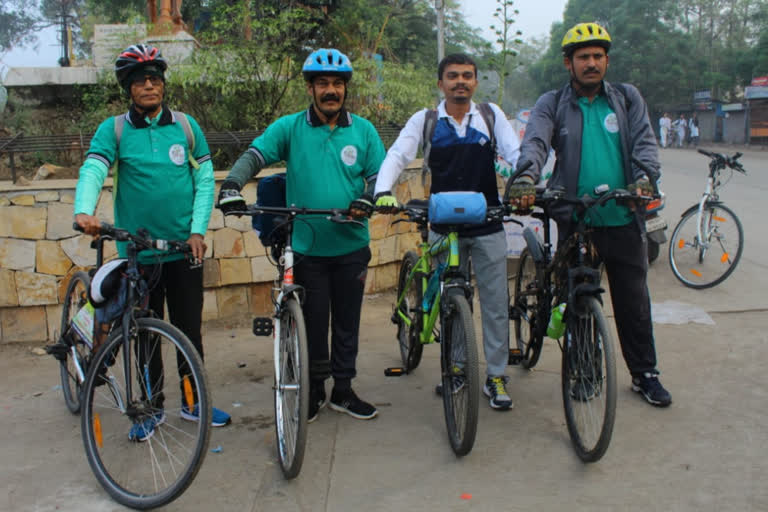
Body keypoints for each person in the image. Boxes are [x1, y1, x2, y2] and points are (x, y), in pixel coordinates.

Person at [507, 22, 672, 407]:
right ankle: (584, 370)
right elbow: (535, 141)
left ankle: (645, 374)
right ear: (569, 63)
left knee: (634, 302)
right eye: (584, 57)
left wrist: (646, 178)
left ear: (607, 60)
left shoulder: (627, 99)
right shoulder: (553, 103)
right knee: (577, 300)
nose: (592, 63)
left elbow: (645, 144)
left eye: (598, 56)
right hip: (575, 218)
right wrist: (527, 175)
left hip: (623, 216)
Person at [218, 48, 385, 422]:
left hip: (351, 244)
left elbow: (379, 176)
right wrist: (231, 184)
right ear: (310, 87)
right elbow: (256, 155)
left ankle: (343, 391)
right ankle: (313, 391)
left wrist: (367, 197)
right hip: (307, 246)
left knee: (347, 322)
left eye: (337, 84)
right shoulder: (290, 127)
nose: (331, 90)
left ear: (345, 89)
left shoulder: (364, 131)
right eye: (323, 83)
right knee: (312, 323)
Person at [74, 44, 231, 441]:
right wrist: (83, 209)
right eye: (140, 80)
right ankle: (152, 407)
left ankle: (194, 402)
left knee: (188, 330)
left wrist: (198, 231)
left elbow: (205, 181)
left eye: (155, 78)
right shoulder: (115, 130)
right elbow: (94, 167)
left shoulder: (185, 127)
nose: (149, 85)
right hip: (138, 251)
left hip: (182, 249)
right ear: (128, 87)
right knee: (143, 333)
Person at [374, 53, 521, 411]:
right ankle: (456, 368)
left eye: (467, 76)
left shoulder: (490, 116)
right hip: (442, 226)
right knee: (452, 302)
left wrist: (525, 181)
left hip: (487, 223)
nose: (461, 82)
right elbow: (397, 154)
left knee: (495, 303)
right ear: (440, 83)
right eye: (453, 76)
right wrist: (382, 190)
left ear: (475, 82)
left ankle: (496, 375)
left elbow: (515, 154)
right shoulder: (425, 121)